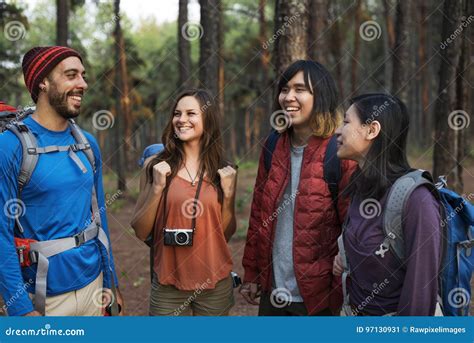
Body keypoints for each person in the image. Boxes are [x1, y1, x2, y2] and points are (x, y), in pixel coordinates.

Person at [0, 46, 123, 316]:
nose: (83, 84)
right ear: (43, 82)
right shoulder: (10, 146)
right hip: (43, 298)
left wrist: (110, 282)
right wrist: (20, 308)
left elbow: (98, 218)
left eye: (83, 75)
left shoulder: (86, 143)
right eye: (71, 75)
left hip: (94, 286)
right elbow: (2, 235)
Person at [240, 60, 357, 316]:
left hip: (320, 297)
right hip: (273, 293)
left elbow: (354, 228)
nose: (288, 97)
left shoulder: (339, 152)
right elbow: (258, 213)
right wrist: (252, 273)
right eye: (284, 89)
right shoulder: (272, 145)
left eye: (300, 89)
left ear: (321, 95)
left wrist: (339, 287)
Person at [332, 93, 442, 316]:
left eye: (345, 122)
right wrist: (347, 257)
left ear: (372, 130)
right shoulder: (360, 187)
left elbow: (420, 298)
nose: (337, 131)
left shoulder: (417, 200)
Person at [131, 89, 237, 316]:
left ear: (207, 120)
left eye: (191, 113)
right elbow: (140, 231)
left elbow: (225, 234)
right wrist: (157, 189)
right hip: (168, 284)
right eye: (177, 114)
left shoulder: (224, 170)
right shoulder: (154, 165)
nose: (182, 120)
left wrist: (228, 197)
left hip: (215, 284)